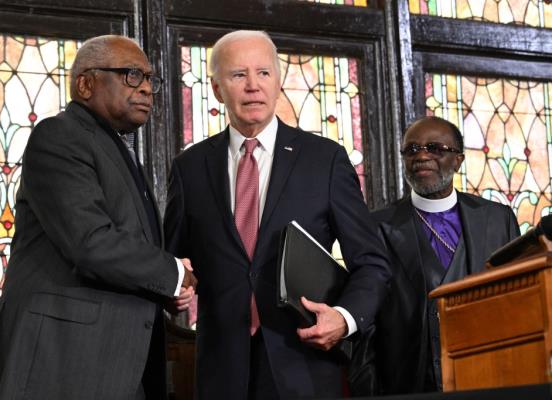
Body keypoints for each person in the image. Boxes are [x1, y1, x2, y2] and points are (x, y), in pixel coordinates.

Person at [164, 30, 391, 399]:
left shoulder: (324, 160)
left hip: (306, 364)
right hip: (220, 372)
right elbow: (174, 262)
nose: (253, 86)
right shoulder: (190, 168)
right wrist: (174, 290)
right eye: (239, 75)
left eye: (264, 73)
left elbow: (372, 263)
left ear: (278, 81)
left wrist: (345, 318)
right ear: (218, 89)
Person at [0, 35, 196, 400]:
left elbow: (124, 248)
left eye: (150, 79)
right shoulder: (60, 136)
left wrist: (165, 290)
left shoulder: (116, 148)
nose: (146, 88)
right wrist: (172, 273)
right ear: (86, 83)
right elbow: (90, 243)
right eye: (131, 75)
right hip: (64, 361)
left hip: (118, 365)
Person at [355, 116, 520, 394]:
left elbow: (518, 299)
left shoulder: (497, 219)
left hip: (491, 375)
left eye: (435, 148)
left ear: (458, 160)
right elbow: (368, 319)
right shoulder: (376, 226)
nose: (422, 156)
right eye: (412, 150)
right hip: (409, 380)